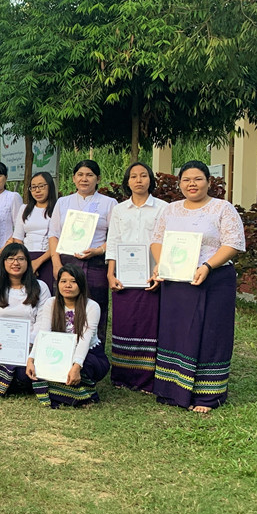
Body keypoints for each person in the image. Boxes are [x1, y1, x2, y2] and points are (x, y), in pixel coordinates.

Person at [149, 161, 245, 413]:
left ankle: (207, 395)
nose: (192, 184)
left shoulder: (222, 208)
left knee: (211, 333)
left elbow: (233, 243)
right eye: (186, 179)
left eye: (198, 179)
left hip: (213, 279)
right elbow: (157, 240)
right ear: (179, 183)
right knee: (177, 332)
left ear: (209, 182)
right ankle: (173, 389)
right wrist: (161, 264)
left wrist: (208, 266)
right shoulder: (170, 210)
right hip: (176, 282)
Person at [106, 162, 168, 392]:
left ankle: (147, 378)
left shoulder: (163, 208)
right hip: (125, 276)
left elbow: (165, 241)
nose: (138, 180)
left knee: (148, 324)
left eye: (143, 175)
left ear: (150, 179)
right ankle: (123, 375)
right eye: (133, 176)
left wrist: (160, 270)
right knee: (125, 322)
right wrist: (110, 273)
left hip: (151, 275)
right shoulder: (120, 210)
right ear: (127, 181)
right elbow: (113, 241)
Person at [48, 159, 117, 344]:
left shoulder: (109, 203)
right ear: (73, 178)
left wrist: (99, 250)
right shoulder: (63, 202)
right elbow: (53, 235)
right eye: (80, 175)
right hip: (67, 262)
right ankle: (62, 348)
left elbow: (116, 237)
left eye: (89, 175)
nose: (84, 179)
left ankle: (94, 350)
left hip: (95, 263)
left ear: (98, 179)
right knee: (65, 306)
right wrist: (56, 264)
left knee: (95, 306)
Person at [28, 264, 110, 408]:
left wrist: (76, 366)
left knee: (85, 365)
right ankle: (66, 393)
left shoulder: (92, 306)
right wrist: (31, 359)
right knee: (37, 369)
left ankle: (80, 394)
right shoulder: (51, 303)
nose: (68, 285)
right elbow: (43, 333)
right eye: (63, 281)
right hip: (60, 352)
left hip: (89, 354)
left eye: (73, 281)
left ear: (81, 285)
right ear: (58, 284)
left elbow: (85, 339)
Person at [0, 243, 51, 396]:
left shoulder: (40, 287)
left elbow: (42, 322)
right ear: (3, 262)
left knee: (23, 376)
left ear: (28, 262)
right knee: (14, 377)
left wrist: (30, 345)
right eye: (11, 259)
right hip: (4, 346)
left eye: (21, 259)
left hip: (32, 345)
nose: (16, 263)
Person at [14, 171, 57, 290]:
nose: (37, 191)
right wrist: (26, 261)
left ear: (50, 186)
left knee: (46, 292)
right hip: (26, 257)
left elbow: (58, 240)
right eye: (33, 187)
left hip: (49, 257)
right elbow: (18, 238)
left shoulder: (57, 209)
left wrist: (38, 261)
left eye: (41, 186)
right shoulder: (24, 209)